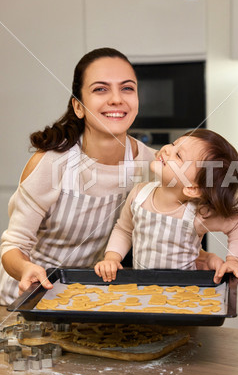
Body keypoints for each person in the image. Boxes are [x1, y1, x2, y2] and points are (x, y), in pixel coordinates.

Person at [0, 47, 156, 305]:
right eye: (100, 89)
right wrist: (26, 269)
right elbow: (12, 246)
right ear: (79, 106)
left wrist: (203, 256)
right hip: (26, 299)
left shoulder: (150, 164)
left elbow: (170, 227)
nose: (117, 99)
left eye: (127, 88)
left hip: (85, 297)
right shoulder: (50, 163)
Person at [95, 129, 238, 284]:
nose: (167, 149)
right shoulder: (138, 195)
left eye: (178, 155)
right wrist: (112, 258)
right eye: (173, 144)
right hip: (144, 288)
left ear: (192, 188)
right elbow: (124, 230)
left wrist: (233, 260)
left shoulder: (197, 214)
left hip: (185, 292)